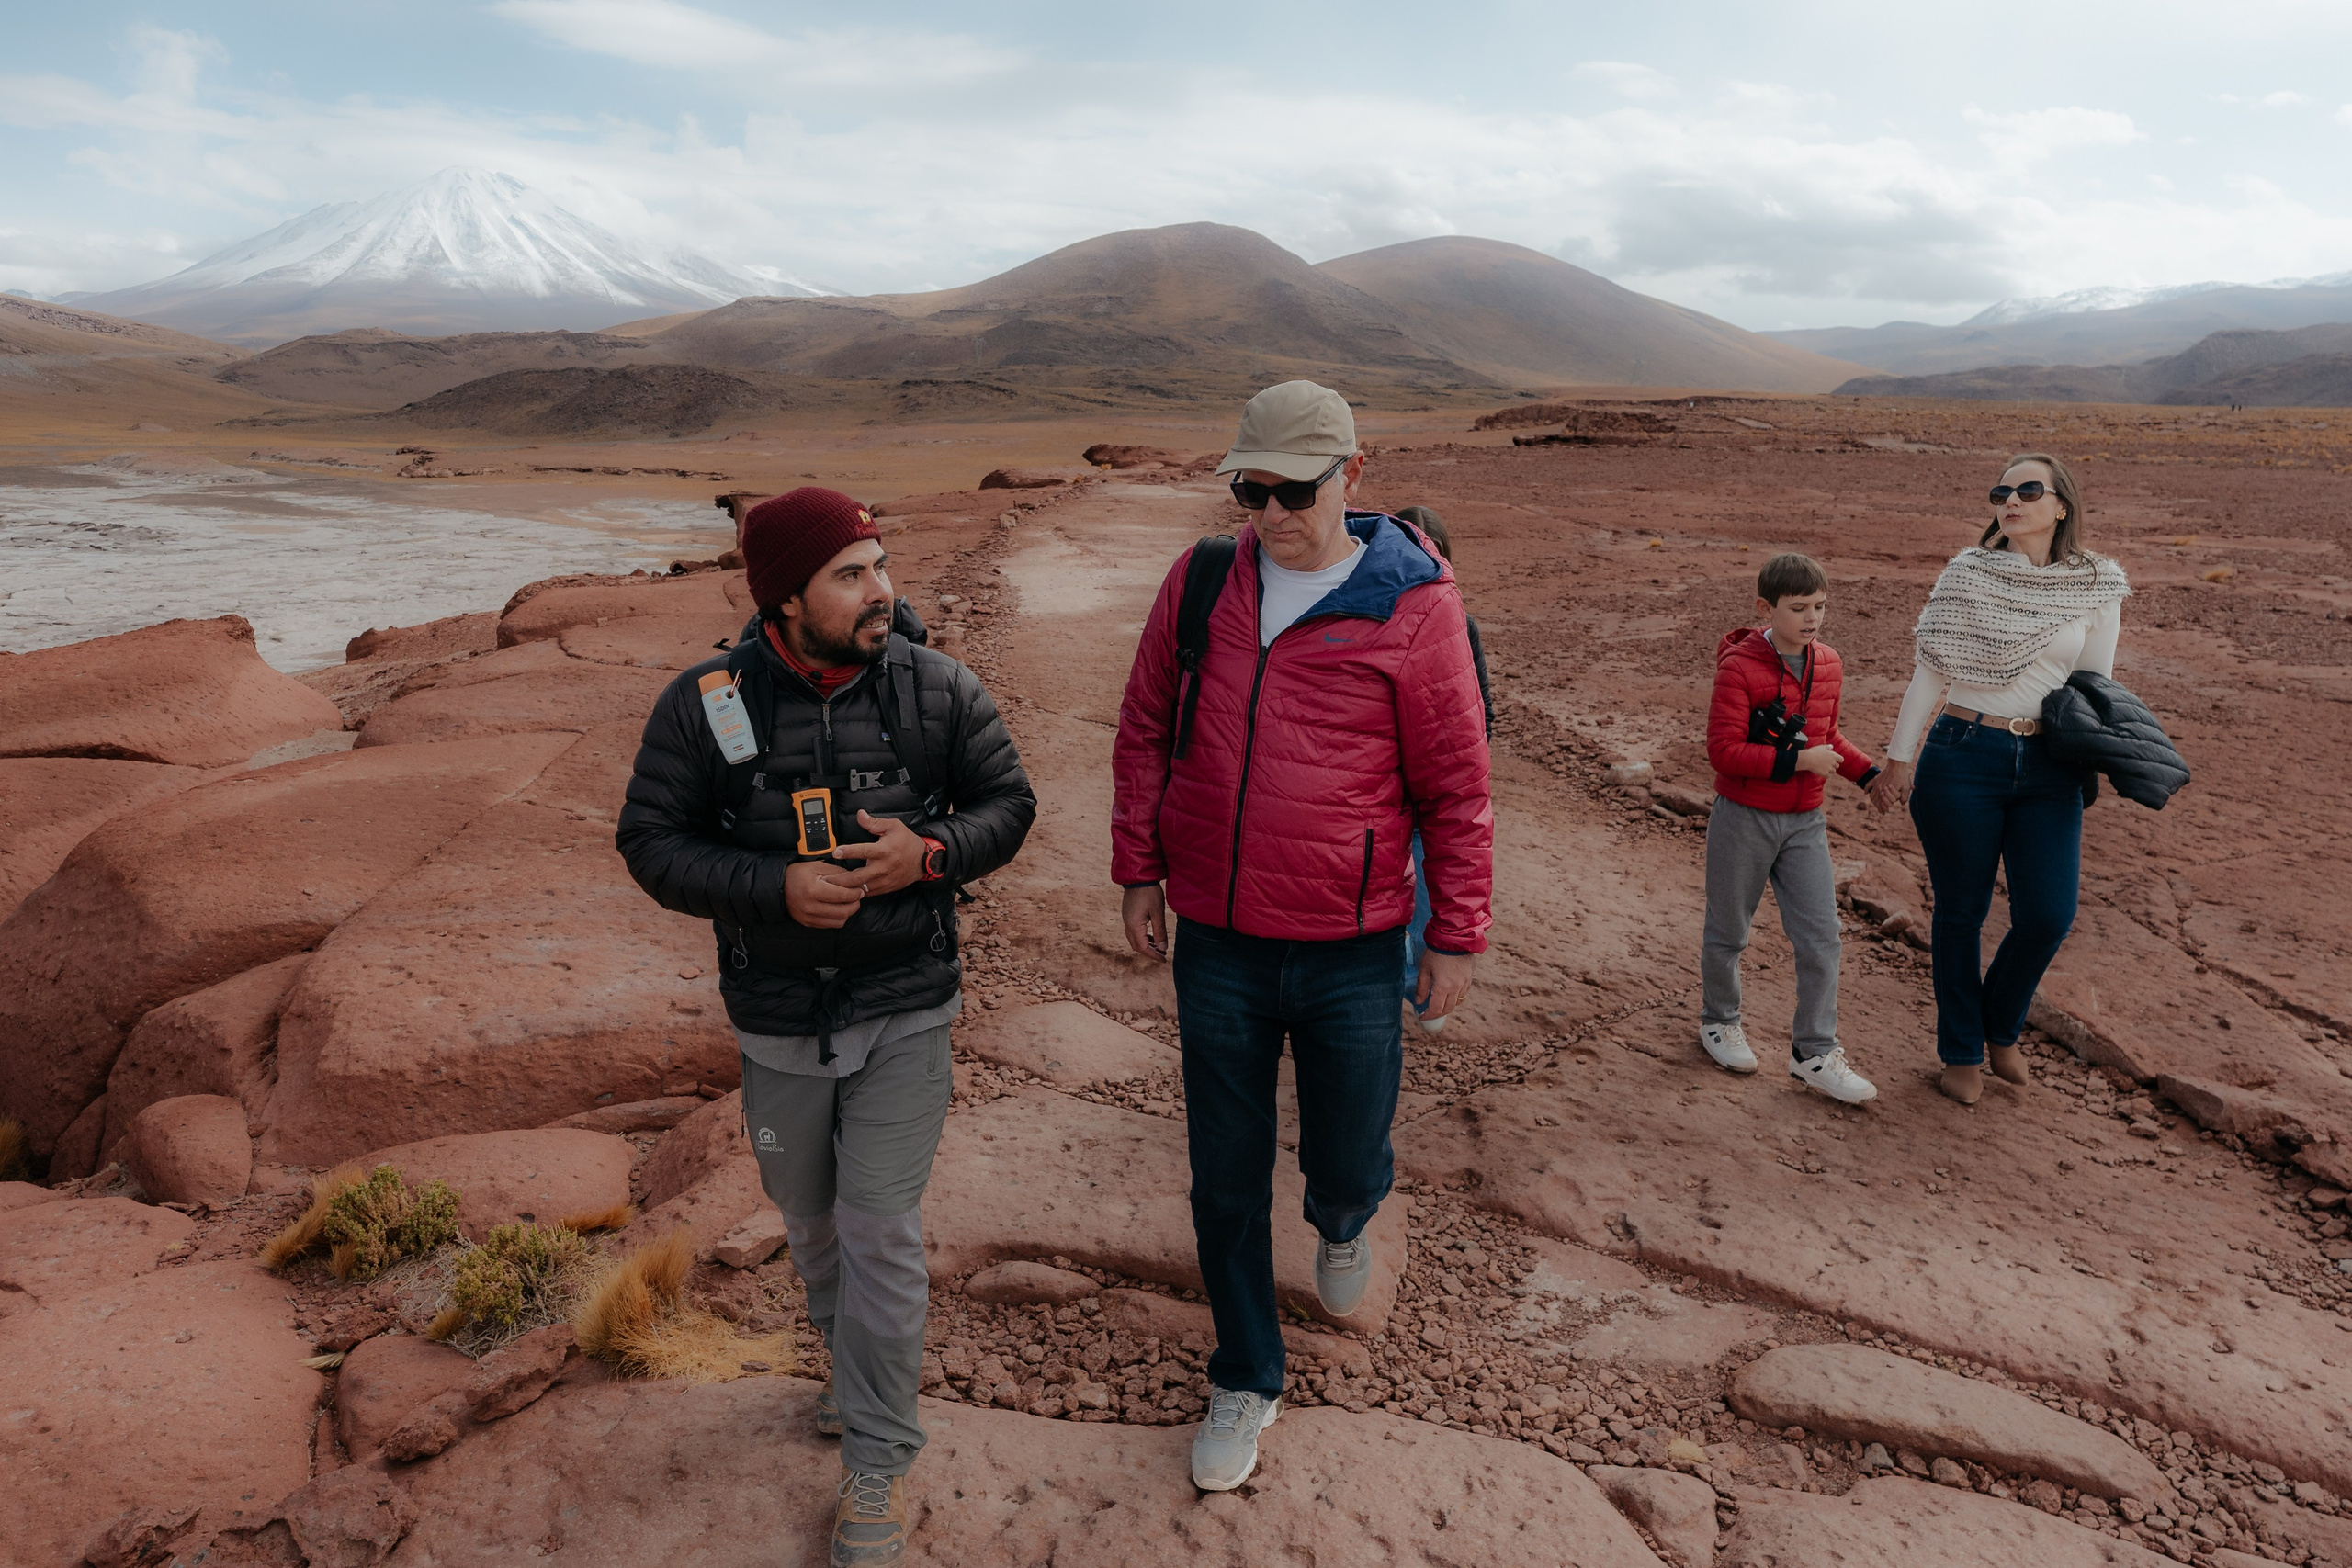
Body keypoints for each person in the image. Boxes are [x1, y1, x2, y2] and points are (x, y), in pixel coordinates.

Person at [616, 487, 1036, 1567]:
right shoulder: (703, 701)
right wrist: (770, 888)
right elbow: (652, 843)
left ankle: (877, 1467)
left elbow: (1007, 805)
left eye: (881, 564)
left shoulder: (937, 689)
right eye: (850, 573)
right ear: (784, 597)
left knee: (879, 1229)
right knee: (807, 1220)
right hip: (775, 1021)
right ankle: (852, 1377)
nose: (881, 591)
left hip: (906, 1008)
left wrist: (928, 855)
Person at [1112, 380, 1493, 1493]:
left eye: (1294, 490)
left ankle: (1341, 1216)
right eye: (1251, 487)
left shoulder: (1417, 605)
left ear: (1353, 475)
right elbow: (1144, 731)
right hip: (1219, 943)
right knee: (1222, 1180)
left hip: (1350, 944)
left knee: (1345, 1148)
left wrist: (1455, 933)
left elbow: (1456, 789)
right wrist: (1139, 866)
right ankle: (1245, 1374)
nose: (1271, 511)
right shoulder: (1201, 582)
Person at [1870, 454, 2127, 1105]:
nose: (2011, 500)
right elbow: (1931, 669)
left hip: (2049, 767)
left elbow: (2094, 685)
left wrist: (2097, 758)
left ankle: (2000, 1026)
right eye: (2001, 491)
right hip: (1962, 753)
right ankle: (1961, 1049)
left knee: (2048, 913)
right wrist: (1899, 760)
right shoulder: (1969, 572)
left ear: (2061, 504)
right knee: (1962, 912)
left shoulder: (2095, 582)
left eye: (2028, 489)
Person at [1699, 553, 1885, 1103]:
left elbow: (1830, 736)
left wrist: (1869, 775)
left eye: (1820, 607)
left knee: (1822, 937)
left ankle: (1814, 1052)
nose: (1812, 619)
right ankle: (1719, 1021)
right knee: (1729, 930)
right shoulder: (1738, 668)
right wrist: (1797, 763)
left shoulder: (1827, 663)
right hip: (1744, 817)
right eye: (1799, 608)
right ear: (1766, 608)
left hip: (1805, 822)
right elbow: (1722, 752)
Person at [1390, 504, 1494, 1035]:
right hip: (1383, 803)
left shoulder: (1462, 628)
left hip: (1432, 805)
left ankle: (1421, 990)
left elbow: (1482, 718)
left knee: (1432, 903)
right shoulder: (1371, 621)